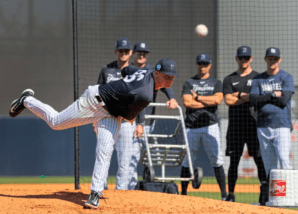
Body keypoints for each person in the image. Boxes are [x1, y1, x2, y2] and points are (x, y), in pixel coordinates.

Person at [9, 58, 179, 209]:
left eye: (172, 76)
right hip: (94, 102)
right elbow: (128, 117)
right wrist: (123, 93)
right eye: (166, 76)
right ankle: (27, 100)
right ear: (157, 72)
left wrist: (123, 88)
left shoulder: (147, 72)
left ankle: (95, 193)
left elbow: (127, 70)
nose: (169, 79)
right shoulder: (145, 94)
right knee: (56, 122)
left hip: (111, 114)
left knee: (105, 150)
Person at [127, 41, 178, 189]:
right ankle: (129, 189)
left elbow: (165, 85)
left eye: (144, 53)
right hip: (129, 121)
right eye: (139, 52)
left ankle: (146, 188)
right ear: (134, 54)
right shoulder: (128, 70)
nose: (141, 55)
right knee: (131, 157)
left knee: (148, 157)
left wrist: (172, 98)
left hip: (148, 122)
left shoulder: (152, 72)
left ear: (147, 55)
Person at [249, 47, 294, 205]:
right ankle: (274, 198)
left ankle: (290, 196)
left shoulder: (286, 77)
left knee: (283, 160)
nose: (272, 61)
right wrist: (274, 94)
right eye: (270, 58)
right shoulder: (258, 79)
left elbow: (284, 101)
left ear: (279, 60)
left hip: (281, 125)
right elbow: (253, 101)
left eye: (275, 58)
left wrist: (264, 98)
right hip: (262, 126)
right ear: (265, 59)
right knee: (269, 165)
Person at [223, 46, 267, 204]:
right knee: (234, 161)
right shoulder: (229, 79)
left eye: (246, 58)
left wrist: (240, 96)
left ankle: (264, 192)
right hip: (235, 127)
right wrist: (248, 97)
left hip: (254, 125)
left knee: (259, 160)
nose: (244, 61)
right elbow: (228, 101)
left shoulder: (258, 78)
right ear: (236, 59)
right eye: (241, 58)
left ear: (251, 59)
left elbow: (258, 99)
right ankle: (231, 194)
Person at [180, 53, 227, 200]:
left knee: (217, 159)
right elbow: (187, 102)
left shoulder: (216, 82)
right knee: (187, 160)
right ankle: (183, 194)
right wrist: (208, 102)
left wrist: (198, 98)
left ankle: (224, 195)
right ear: (197, 64)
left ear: (210, 65)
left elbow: (218, 100)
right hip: (191, 126)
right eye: (200, 63)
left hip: (210, 126)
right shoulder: (189, 83)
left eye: (205, 64)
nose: (203, 66)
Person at [96, 37, 136, 190]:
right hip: (107, 119)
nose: (123, 54)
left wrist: (140, 123)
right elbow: (97, 94)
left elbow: (141, 98)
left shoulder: (135, 72)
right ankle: (100, 188)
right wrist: (95, 120)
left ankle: (121, 191)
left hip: (126, 122)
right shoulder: (107, 70)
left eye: (126, 51)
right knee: (102, 155)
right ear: (116, 52)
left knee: (125, 159)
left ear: (130, 52)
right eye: (121, 51)